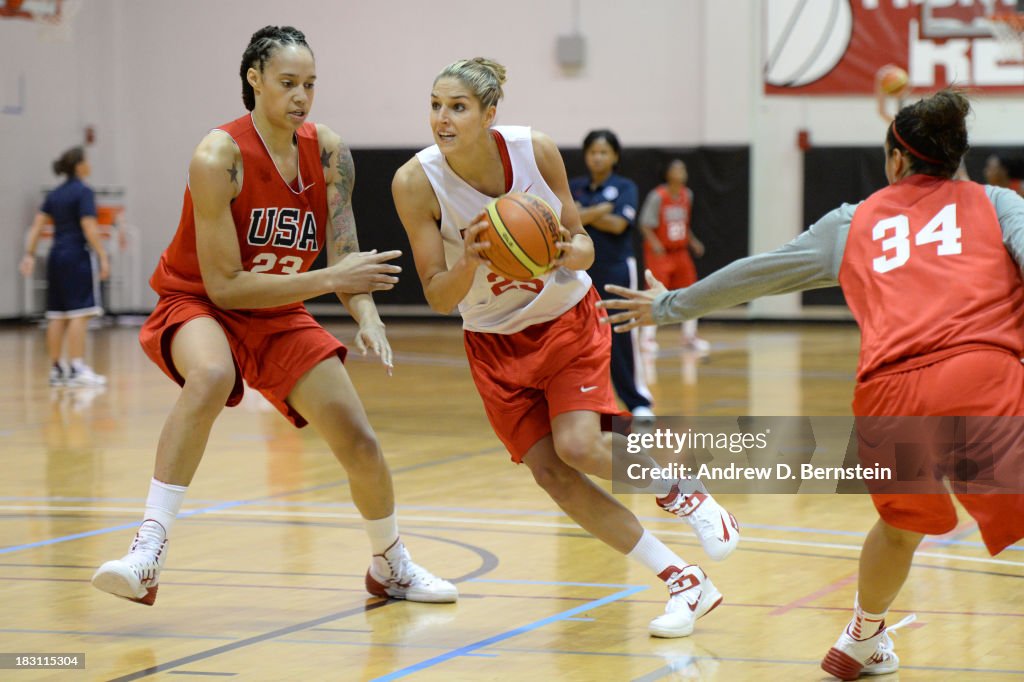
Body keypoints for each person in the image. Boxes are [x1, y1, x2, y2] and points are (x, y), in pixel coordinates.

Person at [600, 90, 1024, 678]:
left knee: (902, 524)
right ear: (956, 159)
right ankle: (860, 636)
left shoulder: (853, 221)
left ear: (895, 161)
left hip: (888, 393)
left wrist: (670, 305)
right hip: (982, 377)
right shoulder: (997, 203)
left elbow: (758, 273)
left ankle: (861, 636)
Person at [91, 26, 456, 607]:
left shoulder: (329, 152)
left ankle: (390, 564)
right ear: (254, 79)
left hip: (279, 309)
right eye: (287, 83)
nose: (301, 96)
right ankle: (147, 551)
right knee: (211, 376)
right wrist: (333, 281)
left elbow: (344, 251)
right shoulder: (219, 156)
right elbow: (226, 286)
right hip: (200, 302)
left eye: (310, 84)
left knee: (360, 442)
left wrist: (367, 313)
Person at [391, 57, 739, 638]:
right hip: (492, 340)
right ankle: (685, 581)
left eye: (457, 107)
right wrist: (473, 256)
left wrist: (560, 251)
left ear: (490, 113)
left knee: (579, 444)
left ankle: (687, 495)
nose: (442, 119)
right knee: (552, 474)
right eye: (435, 106)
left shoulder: (534, 149)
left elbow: (580, 245)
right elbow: (435, 295)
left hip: (563, 320)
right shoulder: (414, 182)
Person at [569, 130, 654, 421]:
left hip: (616, 268)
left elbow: (619, 224)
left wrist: (584, 214)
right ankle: (589, 401)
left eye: (604, 152)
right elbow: (568, 221)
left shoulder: (625, 186)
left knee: (621, 334)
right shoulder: (575, 186)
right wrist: (598, 211)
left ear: (615, 156)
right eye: (593, 152)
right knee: (578, 337)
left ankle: (638, 400)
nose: (598, 157)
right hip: (580, 270)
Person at [20, 146, 110, 387]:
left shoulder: (55, 194)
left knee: (57, 315)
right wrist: (103, 255)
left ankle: (57, 369)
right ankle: (77, 367)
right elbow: (89, 227)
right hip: (76, 256)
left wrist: (28, 255)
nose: (90, 165)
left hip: (55, 257)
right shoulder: (84, 192)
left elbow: (37, 227)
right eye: (87, 161)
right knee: (80, 314)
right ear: (79, 165)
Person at [638, 159, 708, 352]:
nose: (681, 172)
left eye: (683, 168)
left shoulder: (687, 195)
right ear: (667, 173)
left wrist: (693, 241)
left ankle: (689, 336)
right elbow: (644, 224)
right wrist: (655, 243)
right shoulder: (658, 196)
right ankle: (647, 338)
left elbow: (684, 225)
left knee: (692, 293)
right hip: (660, 253)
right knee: (655, 294)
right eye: (677, 169)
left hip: (681, 252)